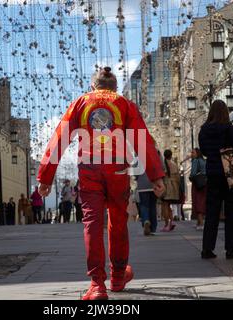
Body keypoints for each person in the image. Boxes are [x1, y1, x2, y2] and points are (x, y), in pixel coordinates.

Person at [37, 66, 165, 300]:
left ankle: (97, 285)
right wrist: (156, 175)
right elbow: (141, 139)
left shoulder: (80, 103)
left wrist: (46, 176)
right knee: (117, 220)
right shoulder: (124, 104)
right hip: (117, 168)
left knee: (92, 223)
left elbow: (60, 138)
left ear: (93, 86)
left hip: (89, 169)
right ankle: (117, 275)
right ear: (114, 87)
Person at [198, 100, 233, 260]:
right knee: (231, 212)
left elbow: (204, 151)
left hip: (213, 173)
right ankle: (230, 249)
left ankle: (207, 249)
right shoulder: (229, 129)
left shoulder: (204, 130)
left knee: (212, 212)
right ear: (225, 112)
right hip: (230, 174)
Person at [160, 149, 180, 232]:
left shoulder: (162, 165)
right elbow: (178, 178)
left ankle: (166, 224)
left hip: (165, 186)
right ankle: (171, 222)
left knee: (165, 205)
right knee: (168, 206)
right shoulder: (174, 165)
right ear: (171, 155)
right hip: (173, 187)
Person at [135, 172, 157, 236]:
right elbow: (161, 168)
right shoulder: (156, 160)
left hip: (142, 185)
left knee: (144, 205)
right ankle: (152, 228)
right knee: (152, 206)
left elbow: (135, 173)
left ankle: (145, 220)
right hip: (154, 183)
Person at [190, 148, 207, 231]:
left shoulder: (195, 161)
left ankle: (201, 223)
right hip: (205, 183)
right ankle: (198, 222)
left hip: (197, 183)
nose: (191, 154)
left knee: (197, 202)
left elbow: (193, 173)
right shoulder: (204, 161)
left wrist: (191, 177)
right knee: (202, 202)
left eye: (193, 152)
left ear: (197, 153)